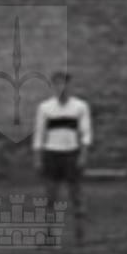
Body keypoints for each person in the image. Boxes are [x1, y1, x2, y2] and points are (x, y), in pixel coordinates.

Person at [32, 71, 92, 244]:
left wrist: (83, 155)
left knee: (76, 194)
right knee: (50, 196)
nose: (61, 88)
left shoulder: (80, 107)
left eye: (64, 84)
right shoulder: (45, 108)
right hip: (52, 154)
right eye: (57, 84)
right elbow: (39, 134)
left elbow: (86, 133)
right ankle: (49, 233)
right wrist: (38, 157)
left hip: (71, 154)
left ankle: (80, 233)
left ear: (70, 86)